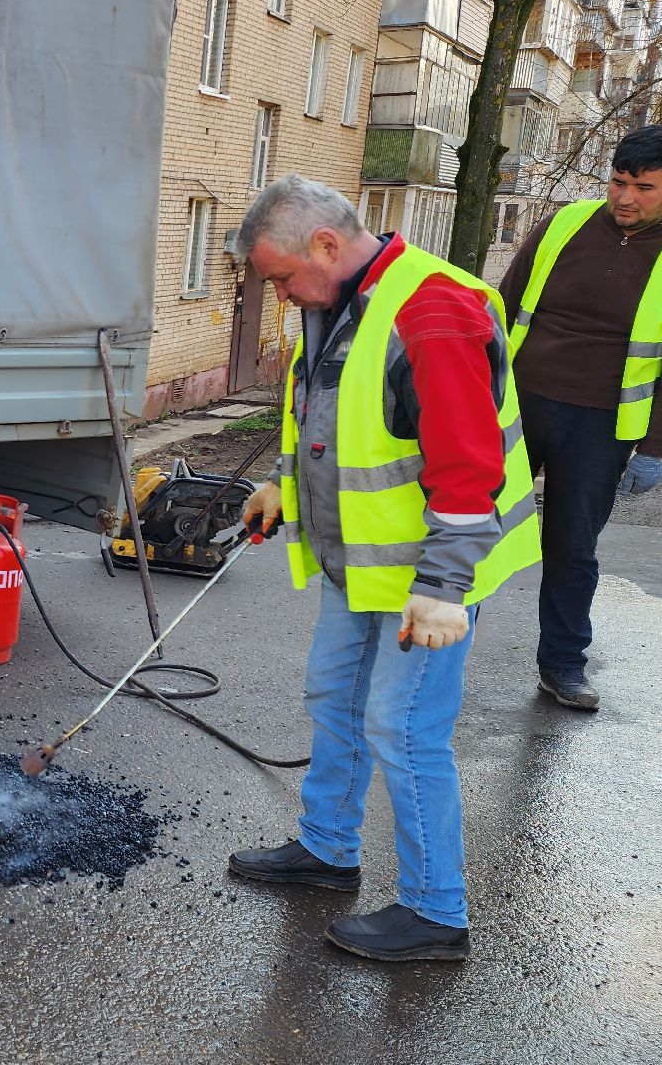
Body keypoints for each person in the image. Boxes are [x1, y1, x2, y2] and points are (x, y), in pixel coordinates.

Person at [226, 175, 540, 961]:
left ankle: (438, 912)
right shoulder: (335, 304)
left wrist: (442, 592)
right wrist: (284, 487)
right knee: (336, 698)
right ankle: (328, 850)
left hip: (430, 575)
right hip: (363, 566)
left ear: (325, 245)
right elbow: (339, 423)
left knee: (403, 730)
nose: (281, 296)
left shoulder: (432, 312)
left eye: (281, 279)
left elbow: (468, 471)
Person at [498, 125, 662, 711]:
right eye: (618, 183)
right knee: (473, 529)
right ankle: (432, 646)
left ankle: (563, 666)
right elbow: (502, 306)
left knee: (572, 547)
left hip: (601, 424)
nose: (625, 198)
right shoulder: (566, 223)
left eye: (643, 188)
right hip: (520, 406)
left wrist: (655, 446)